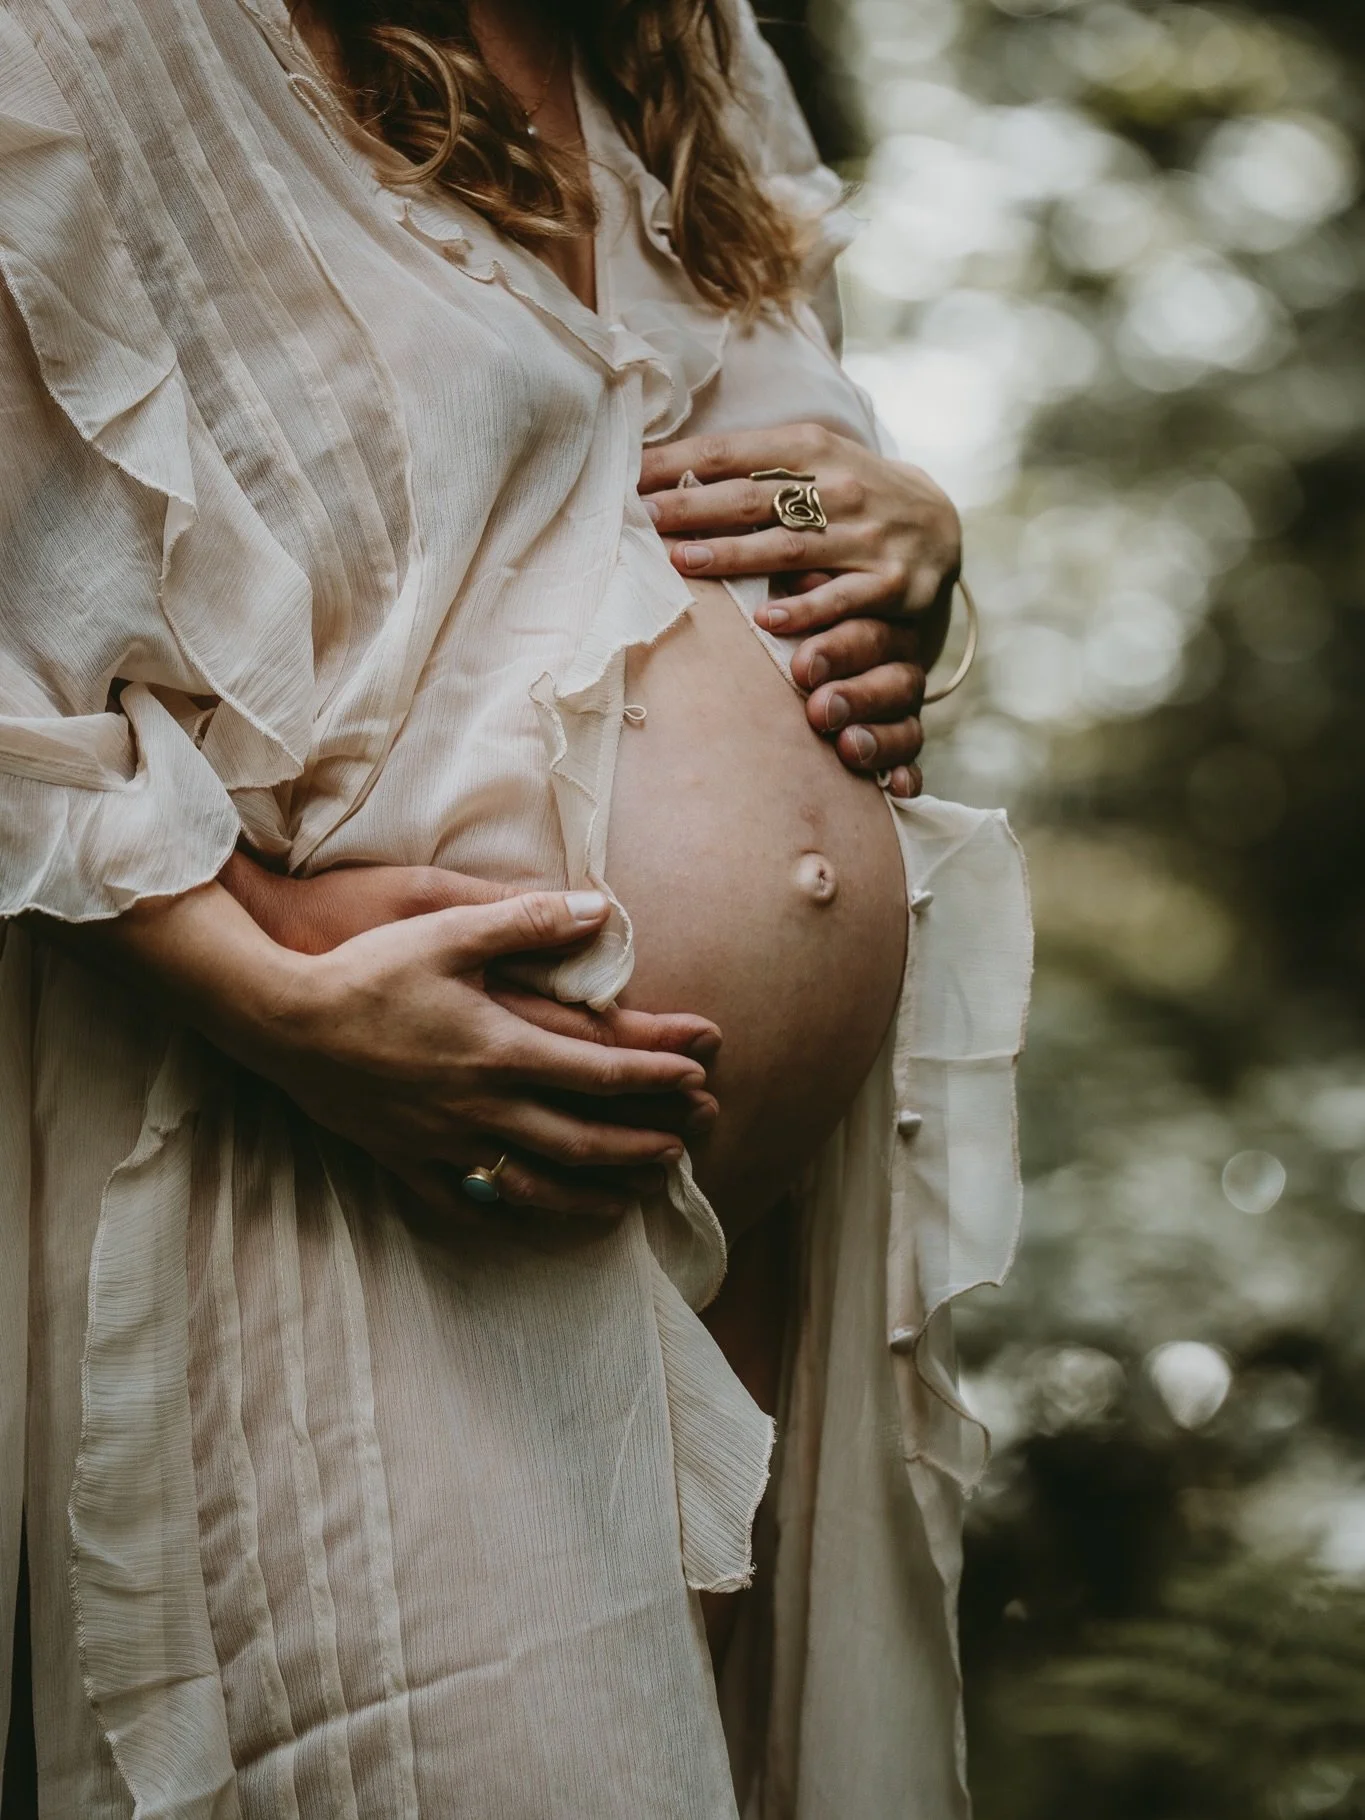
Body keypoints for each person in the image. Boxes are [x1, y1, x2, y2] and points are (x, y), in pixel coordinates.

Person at [0, 1, 1032, 1814]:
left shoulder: (684, 58)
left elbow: (730, 492)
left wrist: (903, 526)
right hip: (348, 1166)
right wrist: (248, 978)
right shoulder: (93, 39)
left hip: (756, 1236)